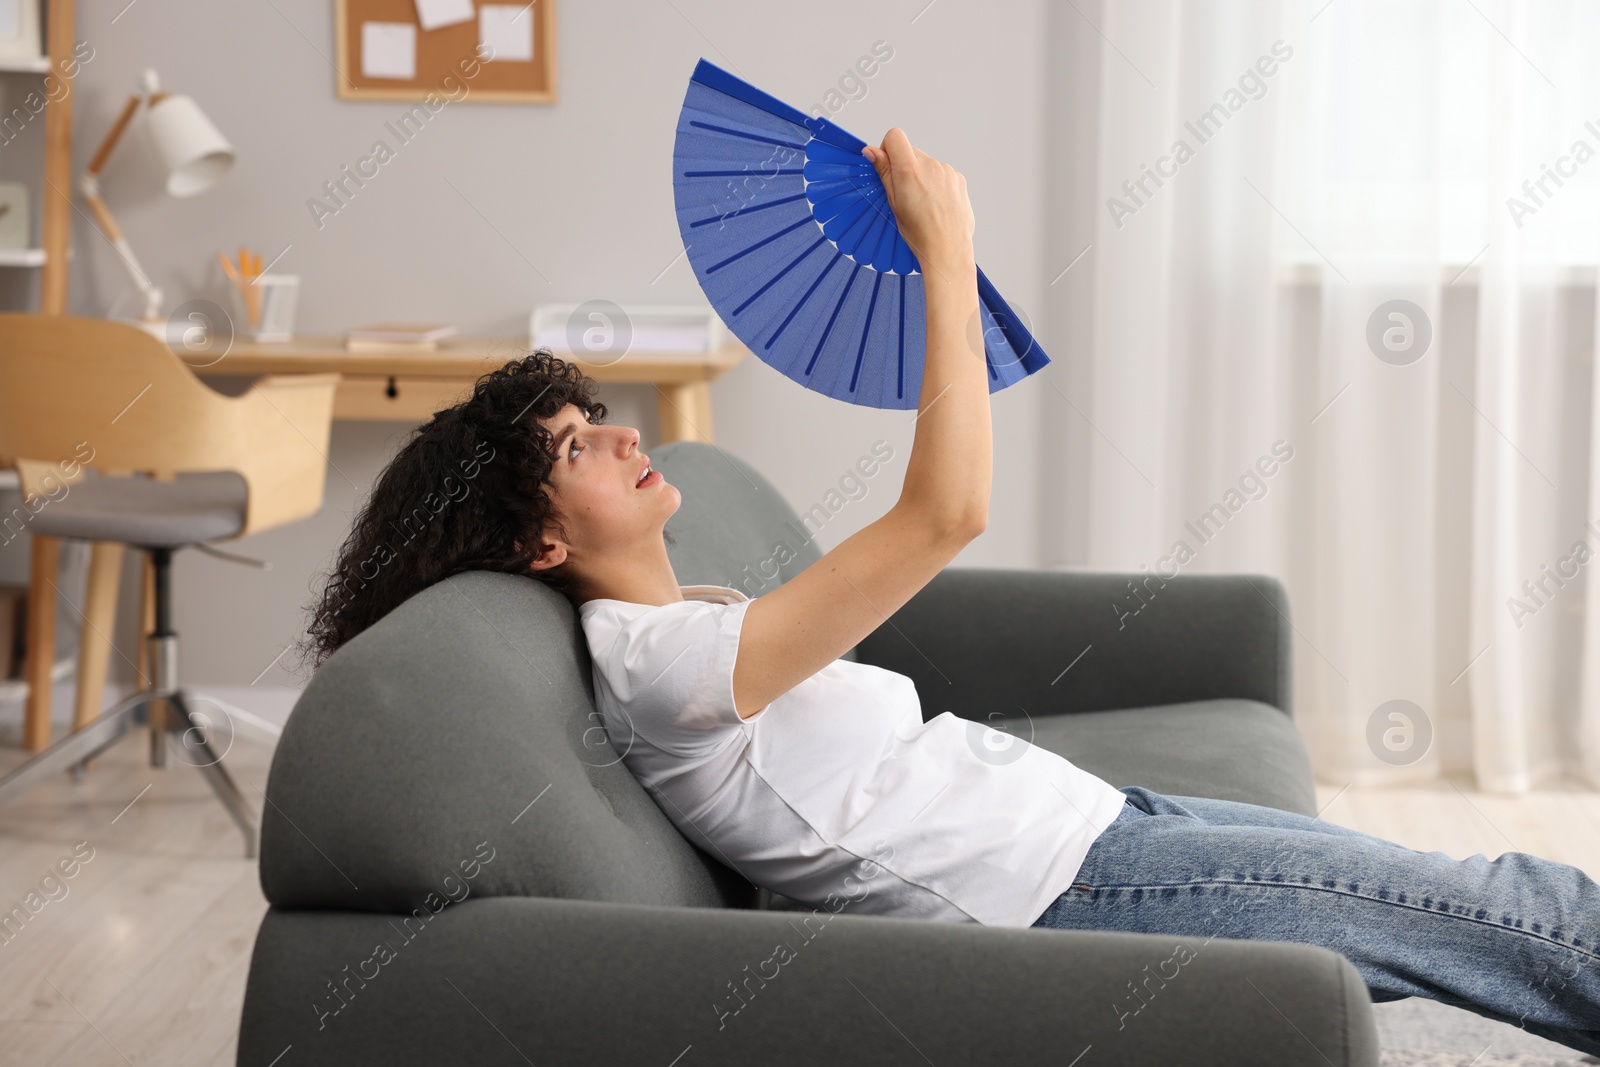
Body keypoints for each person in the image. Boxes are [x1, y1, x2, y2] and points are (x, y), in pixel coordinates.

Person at [301, 128, 1600, 1056]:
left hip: (1092, 829)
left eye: (597, 414)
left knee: (1454, 911)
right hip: (1075, 887)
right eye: (577, 448)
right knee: (1494, 909)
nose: (624, 435)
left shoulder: (682, 617)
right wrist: (945, 249)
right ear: (536, 543)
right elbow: (946, 513)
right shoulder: (663, 667)